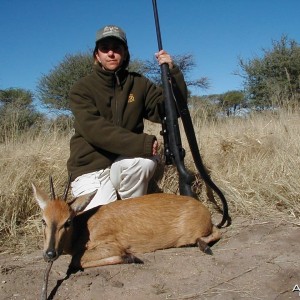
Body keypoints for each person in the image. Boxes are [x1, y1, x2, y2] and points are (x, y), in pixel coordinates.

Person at [67, 25, 187, 211]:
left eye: (117, 48)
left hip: (123, 163)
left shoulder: (139, 83)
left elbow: (170, 110)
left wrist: (173, 72)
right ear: (97, 55)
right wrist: (142, 144)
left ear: (125, 53)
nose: (111, 53)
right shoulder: (81, 89)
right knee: (99, 225)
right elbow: (95, 130)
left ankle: (131, 210)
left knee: (144, 161)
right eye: (105, 48)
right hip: (92, 169)